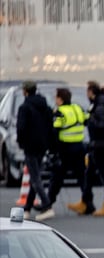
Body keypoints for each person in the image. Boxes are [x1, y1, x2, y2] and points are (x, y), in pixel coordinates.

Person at [68, 81, 104, 217]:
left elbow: (102, 125)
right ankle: (85, 202)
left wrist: (89, 119)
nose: (86, 94)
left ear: (91, 92)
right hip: (97, 144)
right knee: (89, 173)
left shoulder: (100, 105)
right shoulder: (99, 103)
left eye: (87, 92)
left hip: (101, 144)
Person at [15, 81, 55, 220]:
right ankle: (27, 208)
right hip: (42, 146)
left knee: (35, 177)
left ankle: (47, 205)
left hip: (30, 146)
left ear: (25, 91)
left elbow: (21, 128)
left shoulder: (25, 108)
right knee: (35, 175)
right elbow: (51, 126)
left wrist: (21, 143)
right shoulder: (45, 107)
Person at [48, 87, 88, 212]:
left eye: (56, 97)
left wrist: (52, 149)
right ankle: (88, 203)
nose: (55, 100)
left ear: (60, 99)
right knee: (82, 177)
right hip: (80, 147)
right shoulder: (77, 108)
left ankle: (48, 202)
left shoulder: (60, 112)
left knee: (57, 177)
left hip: (65, 148)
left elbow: (54, 130)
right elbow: (86, 121)